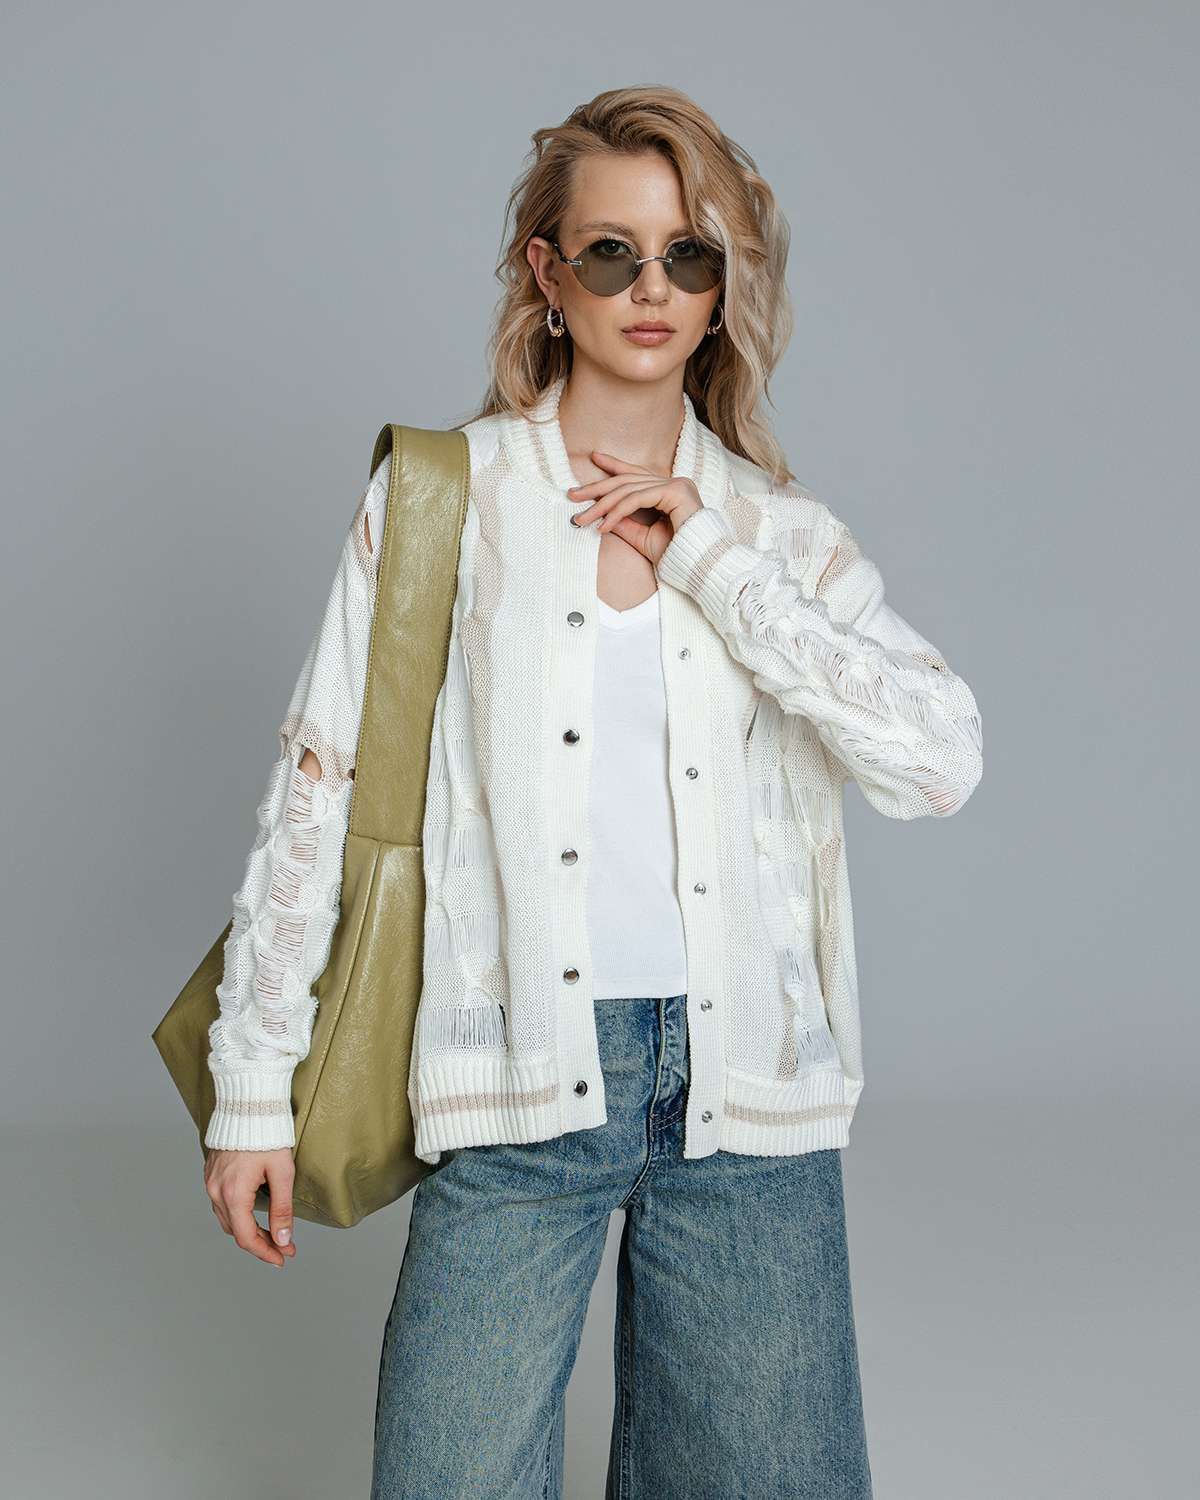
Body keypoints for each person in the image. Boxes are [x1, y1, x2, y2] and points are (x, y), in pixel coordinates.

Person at [201, 85, 982, 1499]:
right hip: (512, 1077)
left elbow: (939, 762)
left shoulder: (777, 534)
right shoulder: (446, 501)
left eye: (689, 256)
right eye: (612, 252)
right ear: (548, 275)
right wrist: (252, 1091)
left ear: (724, 288)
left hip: (746, 1100)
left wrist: (712, 563)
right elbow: (320, 790)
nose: (652, 288)